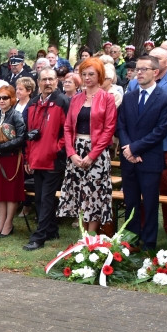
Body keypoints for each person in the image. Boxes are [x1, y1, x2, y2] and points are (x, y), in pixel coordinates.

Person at [117, 55, 167, 251]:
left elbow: (160, 130)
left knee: (150, 202)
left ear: (155, 72)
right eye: (137, 69)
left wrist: (136, 148)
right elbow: (121, 125)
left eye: (144, 69)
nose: (138, 73)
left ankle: (149, 242)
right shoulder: (129, 97)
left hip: (150, 158)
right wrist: (128, 148)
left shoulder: (166, 99)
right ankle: (131, 239)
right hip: (129, 158)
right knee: (131, 201)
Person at [57, 58, 117, 234]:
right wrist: (71, 153)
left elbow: (109, 130)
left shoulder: (107, 98)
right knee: (79, 193)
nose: (87, 77)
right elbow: (67, 127)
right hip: (76, 150)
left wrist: (92, 155)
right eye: (84, 74)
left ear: (100, 75)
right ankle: (83, 237)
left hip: (97, 151)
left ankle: (91, 236)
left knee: (94, 194)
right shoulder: (76, 98)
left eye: (91, 74)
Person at [22, 67, 69, 250]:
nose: (48, 83)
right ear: (38, 82)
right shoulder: (33, 103)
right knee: (41, 197)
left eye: (51, 79)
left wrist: (57, 150)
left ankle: (39, 237)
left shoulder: (63, 101)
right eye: (44, 79)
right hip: (36, 158)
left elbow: (68, 131)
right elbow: (29, 133)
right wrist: (27, 158)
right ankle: (51, 229)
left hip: (53, 159)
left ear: (56, 81)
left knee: (47, 198)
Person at [0, 83, 26, 237]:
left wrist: (0, 147)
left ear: (12, 99)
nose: (1, 100)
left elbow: (21, 138)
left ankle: (8, 224)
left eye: (5, 98)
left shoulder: (16, 115)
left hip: (11, 158)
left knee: (10, 193)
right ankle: (0, 223)